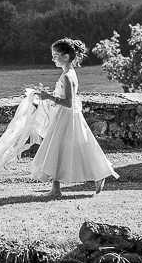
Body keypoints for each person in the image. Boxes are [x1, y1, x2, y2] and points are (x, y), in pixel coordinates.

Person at [30, 38, 118, 198]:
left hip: (67, 116)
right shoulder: (67, 74)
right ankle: (56, 188)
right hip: (63, 115)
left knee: (67, 146)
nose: (52, 59)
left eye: (55, 55)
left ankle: (99, 173)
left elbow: (69, 102)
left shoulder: (67, 76)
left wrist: (49, 97)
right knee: (58, 147)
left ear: (65, 57)